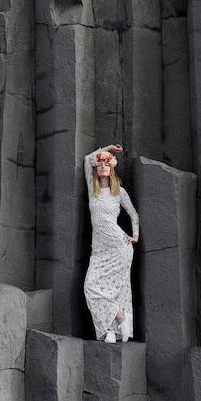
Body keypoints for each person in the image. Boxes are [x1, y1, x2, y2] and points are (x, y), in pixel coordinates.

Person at [83, 143, 140, 343]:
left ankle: (111, 331)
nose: (103, 166)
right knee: (91, 286)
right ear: (96, 170)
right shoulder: (92, 188)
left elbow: (133, 213)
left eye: (107, 164)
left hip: (119, 246)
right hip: (98, 249)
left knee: (116, 290)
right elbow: (87, 158)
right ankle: (116, 319)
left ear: (112, 168)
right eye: (100, 164)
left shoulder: (119, 192)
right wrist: (107, 148)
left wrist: (135, 236)